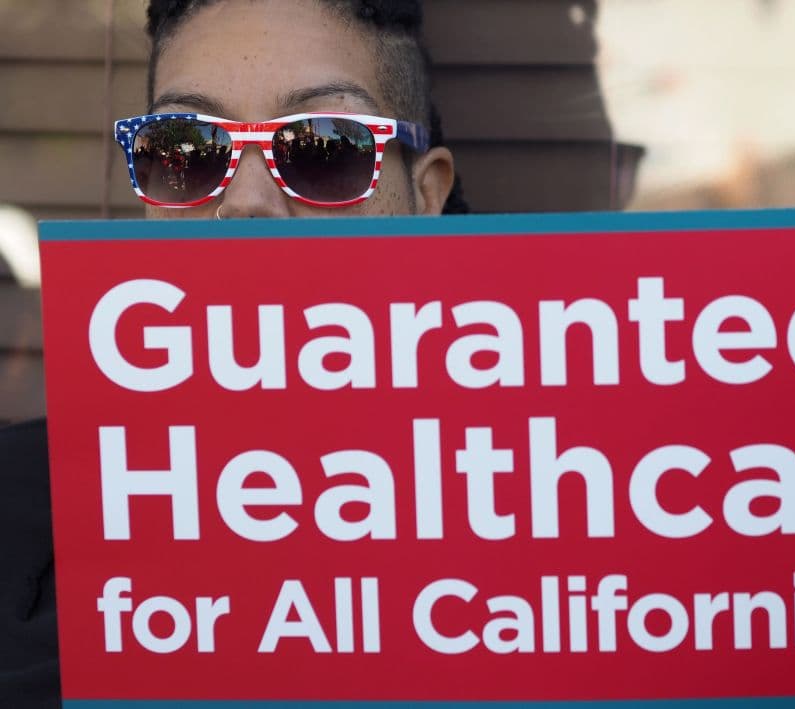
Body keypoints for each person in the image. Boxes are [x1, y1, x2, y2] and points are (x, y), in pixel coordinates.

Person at [0, 1, 466, 706]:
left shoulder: (554, 508)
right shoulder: (17, 508)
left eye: (325, 147)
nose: (246, 201)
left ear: (426, 195)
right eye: (187, 148)